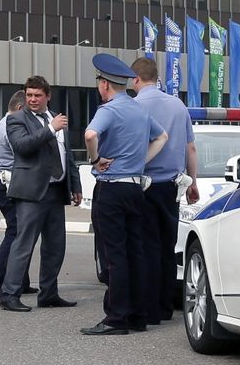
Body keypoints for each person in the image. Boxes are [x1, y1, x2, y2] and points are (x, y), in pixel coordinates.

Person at [82, 53, 167, 335]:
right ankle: (137, 315)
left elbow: (90, 135)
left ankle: (116, 317)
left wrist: (95, 160)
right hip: (135, 188)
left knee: (114, 254)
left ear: (105, 84)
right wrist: (141, 160)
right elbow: (162, 137)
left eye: (99, 82)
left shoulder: (108, 109)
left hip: (112, 187)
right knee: (136, 252)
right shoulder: (139, 110)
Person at [0, 76, 81, 312]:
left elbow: (68, 154)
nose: (32, 99)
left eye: (37, 95)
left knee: (55, 246)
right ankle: (9, 294)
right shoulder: (16, 120)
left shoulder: (55, 117)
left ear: (48, 96)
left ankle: (49, 294)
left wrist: (75, 184)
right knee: (24, 244)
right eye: (29, 95)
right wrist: (50, 129)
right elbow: (23, 146)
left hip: (56, 190)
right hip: (31, 192)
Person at [130, 56, 199, 323]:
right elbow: (190, 148)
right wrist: (192, 182)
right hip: (172, 188)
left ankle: (147, 308)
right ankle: (165, 306)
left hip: (143, 186)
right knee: (167, 246)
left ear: (136, 79)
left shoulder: (134, 106)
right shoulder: (178, 106)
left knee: (145, 246)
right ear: (156, 77)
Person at [0, 90, 34, 297]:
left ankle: (20, 280)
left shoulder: (3, 123)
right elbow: (24, 153)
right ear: (20, 108)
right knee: (17, 232)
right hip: (11, 184)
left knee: (22, 231)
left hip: (5, 183)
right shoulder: (11, 126)